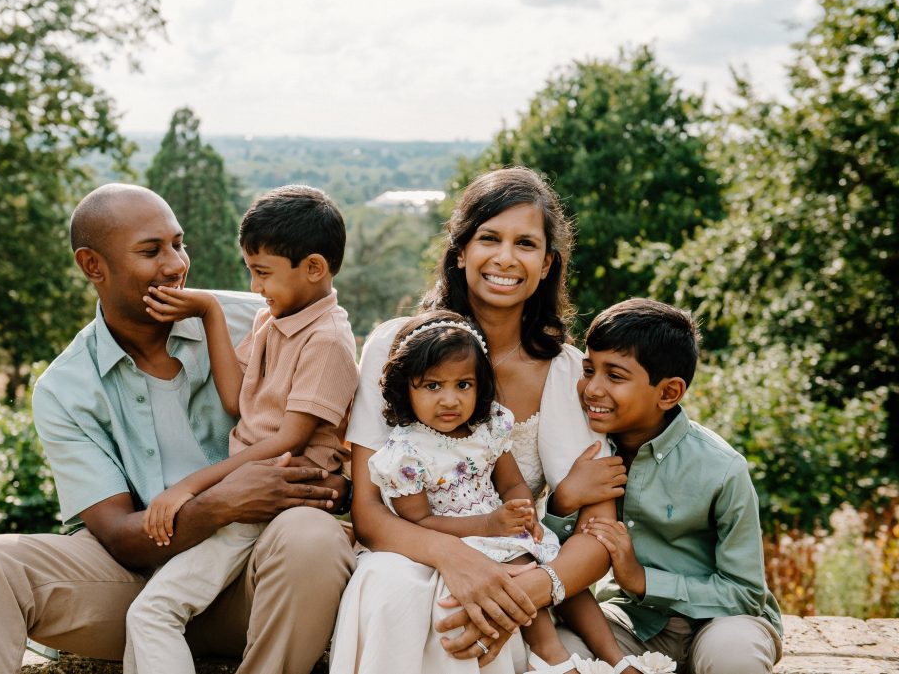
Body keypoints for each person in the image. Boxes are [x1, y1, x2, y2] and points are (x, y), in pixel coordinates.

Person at [0, 183, 355, 674]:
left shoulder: (264, 315)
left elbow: (345, 425)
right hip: (131, 592)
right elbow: (116, 536)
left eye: (179, 243)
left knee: (311, 537)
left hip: (256, 582)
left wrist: (336, 488)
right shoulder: (64, 388)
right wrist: (219, 503)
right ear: (93, 266)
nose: (176, 265)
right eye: (151, 251)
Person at [330, 167, 635, 674]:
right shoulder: (393, 346)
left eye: (526, 244)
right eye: (489, 238)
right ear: (459, 252)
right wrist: (455, 558)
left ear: (546, 264)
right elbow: (367, 511)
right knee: (397, 591)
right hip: (402, 550)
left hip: (511, 564)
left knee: (475, 606)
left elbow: (599, 531)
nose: (505, 258)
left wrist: (536, 587)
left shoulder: (564, 372)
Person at [122, 184, 360, 674]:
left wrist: (187, 488)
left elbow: (287, 439)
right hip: (247, 496)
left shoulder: (328, 340)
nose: (255, 286)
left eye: (262, 273)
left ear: (314, 268)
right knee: (153, 611)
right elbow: (238, 401)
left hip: (271, 496)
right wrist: (209, 310)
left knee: (152, 611)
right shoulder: (272, 320)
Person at [367, 310, 627, 673]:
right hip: (458, 538)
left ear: (481, 385)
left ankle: (617, 657)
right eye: (432, 386)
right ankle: (549, 653)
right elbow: (419, 521)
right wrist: (489, 525)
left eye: (463, 385)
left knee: (561, 575)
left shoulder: (488, 429)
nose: (449, 400)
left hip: (500, 527)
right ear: (405, 389)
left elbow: (510, 482)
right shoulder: (405, 455)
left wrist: (522, 511)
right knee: (520, 566)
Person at [564, 298, 784, 673]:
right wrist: (562, 499)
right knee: (560, 654)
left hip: (718, 622)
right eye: (589, 370)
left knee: (734, 655)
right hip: (627, 622)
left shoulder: (722, 468)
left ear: (668, 393)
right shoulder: (580, 452)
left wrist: (642, 579)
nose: (592, 389)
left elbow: (745, 593)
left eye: (614, 376)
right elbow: (554, 552)